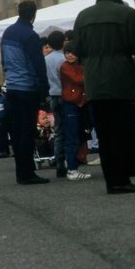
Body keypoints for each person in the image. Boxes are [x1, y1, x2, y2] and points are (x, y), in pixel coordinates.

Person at [73, 0, 135, 194]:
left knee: (104, 135)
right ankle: (123, 178)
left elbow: (77, 48)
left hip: (95, 81)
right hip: (121, 79)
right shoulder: (126, 14)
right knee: (123, 131)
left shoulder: (83, 15)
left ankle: (112, 181)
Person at [0, 0, 50, 185]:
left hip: (12, 87)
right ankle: (28, 173)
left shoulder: (8, 33)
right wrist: (43, 90)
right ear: (33, 14)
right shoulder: (30, 35)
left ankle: (21, 172)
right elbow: (38, 65)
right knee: (28, 132)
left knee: (17, 132)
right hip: (27, 88)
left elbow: (5, 61)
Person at [59, 46, 92, 181]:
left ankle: (73, 164)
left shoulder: (76, 66)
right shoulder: (65, 67)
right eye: (67, 53)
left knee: (80, 135)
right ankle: (72, 168)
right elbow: (79, 80)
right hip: (72, 103)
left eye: (72, 52)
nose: (69, 55)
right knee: (72, 137)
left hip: (80, 103)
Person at [44, 31, 68, 177]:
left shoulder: (45, 59)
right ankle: (69, 161)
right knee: (69, 129)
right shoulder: (64, 59)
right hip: (65, 95)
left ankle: (59, 163)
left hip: (52, 95)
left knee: (58, 130)